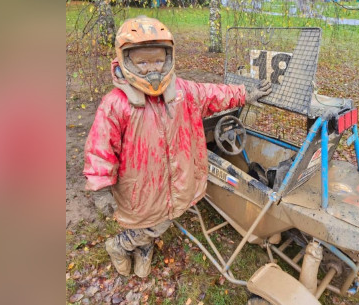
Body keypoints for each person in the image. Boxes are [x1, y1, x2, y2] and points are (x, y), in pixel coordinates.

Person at [83, 16, 271, 278]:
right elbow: (100, 147)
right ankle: (119, 245)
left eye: (158, 60)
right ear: (126, 60)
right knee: (148, 221)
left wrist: (243, 93)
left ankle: (141, 248)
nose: (152, 69)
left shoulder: (183, 92)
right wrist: (100, 187)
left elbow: (213, 94)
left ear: (169, 57)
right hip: (139, 186)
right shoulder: (116, 104)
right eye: (143, 62)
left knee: (163, 218)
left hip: (174, 181)